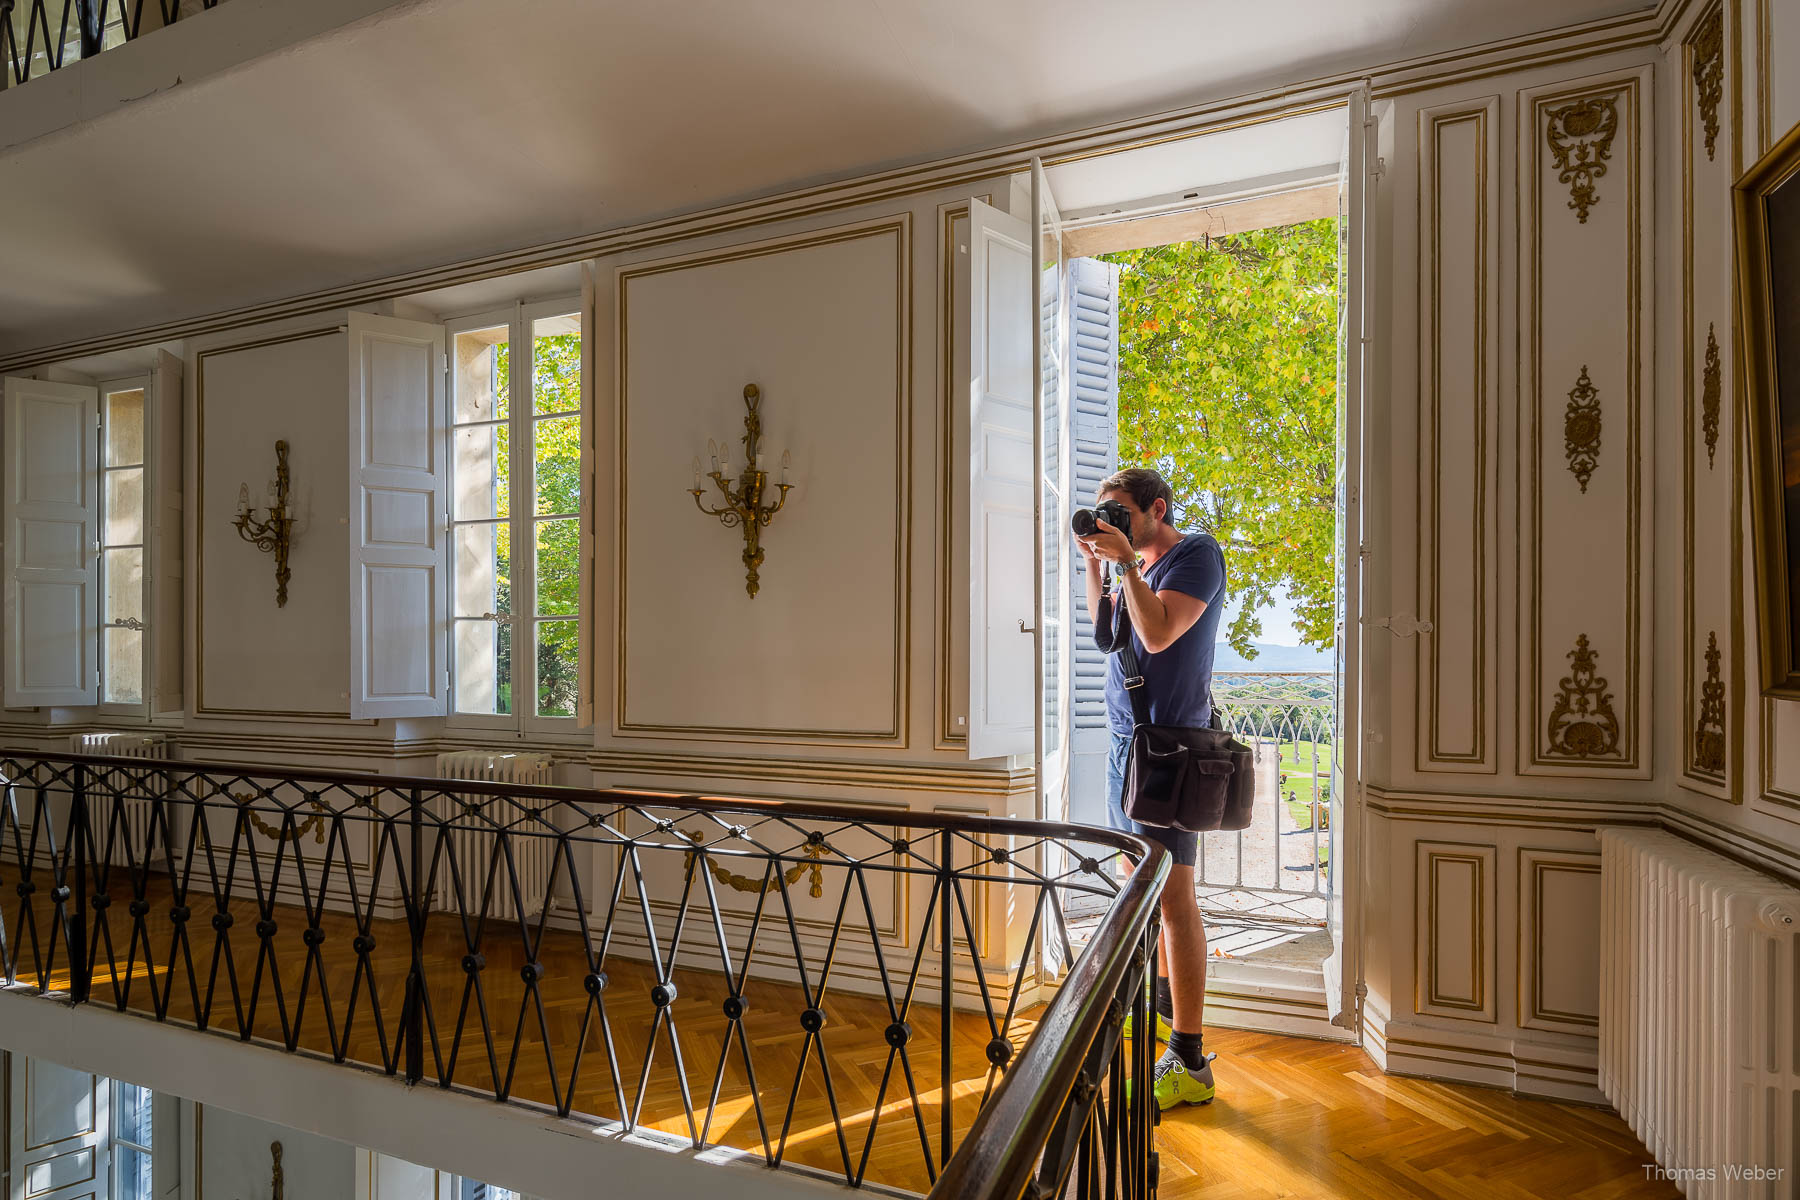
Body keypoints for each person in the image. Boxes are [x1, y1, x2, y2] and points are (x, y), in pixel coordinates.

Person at [1076, 466, 1226, 1110]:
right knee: (1138, 889)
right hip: (1124, 750)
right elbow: (1108, 634)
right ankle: (1156, 1012)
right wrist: (1097, 564)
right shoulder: (1132, 565)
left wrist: (1128, 568)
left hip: (1168, 753)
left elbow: (1159, 632)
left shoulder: (1196, 554)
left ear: (1157, 509)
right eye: (1103, 514)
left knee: (1172, 899)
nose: (1113, 524)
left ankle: (1189, 1058)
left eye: (1121, 514)